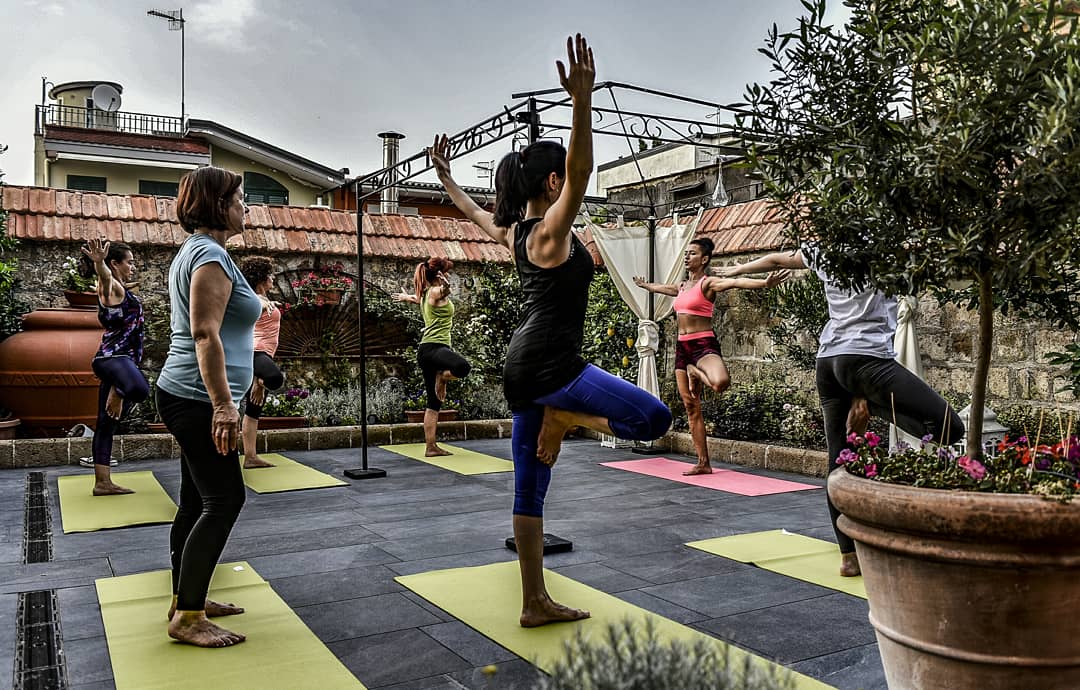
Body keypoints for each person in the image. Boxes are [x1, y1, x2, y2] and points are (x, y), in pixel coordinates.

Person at [431, 34, 672, 627]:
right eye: (560, 177)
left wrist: (446, 178)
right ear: (550, 185)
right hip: (552, 365)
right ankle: (565, 419)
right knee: (653, 419)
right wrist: (581, 101)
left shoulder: (515, 233)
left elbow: (473, 212)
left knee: (529, 488)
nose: (568, 182)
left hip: (522, 367)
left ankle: (533, 601)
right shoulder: (547, 232)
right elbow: (583, 172)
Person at [718, 245, 964, 577]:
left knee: (838, 459)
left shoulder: (827, 249)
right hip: (865, 358)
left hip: (829, 361)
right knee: (950, 428)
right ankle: (870, 404)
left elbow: (777, 258)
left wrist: (738, 269)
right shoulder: (882, 247)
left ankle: (848, 557)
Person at [156, 166, 263, 648]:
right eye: (240, 199)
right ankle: (188, 617)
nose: (246, 207)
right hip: (198, 399)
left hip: (190, 395)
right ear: (219, 205)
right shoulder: (210, 255)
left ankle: (186, 598)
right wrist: (223, 406)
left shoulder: (202, 252)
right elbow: (204, 333)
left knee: (197, 501)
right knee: (225, 499)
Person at [633, 238, 788, 474]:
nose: (687, 257)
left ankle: (695, 372)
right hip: (682, 348)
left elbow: (735, 282)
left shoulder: (708, 283)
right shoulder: (681, 286)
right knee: (691, 407)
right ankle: (703, 463)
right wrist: (646, 286)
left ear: (704, 259)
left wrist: (764, 283)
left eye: (692, 253)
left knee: (720, 383)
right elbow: (663, 288)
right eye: (686, 253)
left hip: (702, 345)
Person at [80, 238, 150, 495]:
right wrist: (99, 264)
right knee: (140, 389)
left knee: (106, 422)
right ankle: (118, 392)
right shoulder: (111, 287)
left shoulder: (118, 289)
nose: (133, 266)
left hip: (117, 361)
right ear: (114, 264)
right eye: (129, 262)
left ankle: (102, 482)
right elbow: (106, 278)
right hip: (114, 359)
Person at [393, 257, 472, 457]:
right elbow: (444, 291)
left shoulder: (426, 294)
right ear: (439, 274)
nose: (449, 275)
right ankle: (442, 377)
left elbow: (417, 298)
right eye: (447, 272)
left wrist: (406, 297)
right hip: (435, 348)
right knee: (463, 367)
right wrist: (446, 286)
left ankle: (430, 447)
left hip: (426, 352)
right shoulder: (436, 291)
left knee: (433, 403)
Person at [238, 256, 286, 469]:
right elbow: (257, 304)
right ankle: (259, 379)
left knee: (254, 409)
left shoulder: (262, 298)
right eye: (270, 275)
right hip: (256, 353)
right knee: (274, 379)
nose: (273, 278)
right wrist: (259, 379)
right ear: (261, 278)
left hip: (263, 355)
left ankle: (250, 457)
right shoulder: (254, 299)